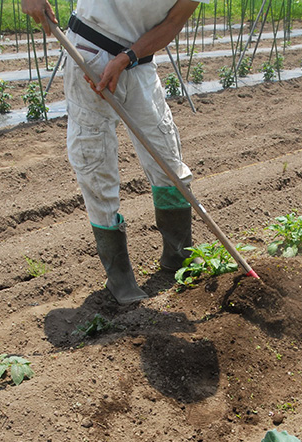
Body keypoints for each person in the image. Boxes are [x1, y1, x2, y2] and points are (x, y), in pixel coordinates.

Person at [21, 0, 208, 305]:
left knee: (167, 159)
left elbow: (173, 23)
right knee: (96, 161)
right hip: (89, 51)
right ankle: (118, 274)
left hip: (139, 62)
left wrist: (127, 58)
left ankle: (178, 254)